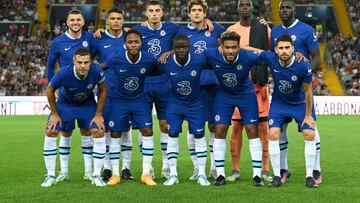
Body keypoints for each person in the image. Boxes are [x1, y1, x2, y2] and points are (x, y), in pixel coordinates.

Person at [247, 34, 318, 188]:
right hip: (280, 103)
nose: (284, 51)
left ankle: (309, 176)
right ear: (276, 50)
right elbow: (252, 50)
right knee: (273, 134)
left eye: (287, 47)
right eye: (281, 48)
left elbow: (308, 92)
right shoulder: (271, 58)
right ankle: (277, 176)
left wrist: (308, 116)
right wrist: (234, 46)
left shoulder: (303, 65)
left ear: (293, 49)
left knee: (310, 133)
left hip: (300, 104)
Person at [271, 0, 322, 184]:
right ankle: (283, 169)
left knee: (311, 129)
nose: (285, 10)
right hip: (282, 92)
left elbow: (317, 58)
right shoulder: (275, 31)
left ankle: (316, 170)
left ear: (294, 10)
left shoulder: (306, 30)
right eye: (282, 8)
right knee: (279, 130)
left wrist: (305, 72)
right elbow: (272, 56)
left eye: (288, 7)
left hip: (301, 91)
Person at [203, 31, 264, 186]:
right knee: (220, 128)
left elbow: (268, 57)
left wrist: (296, 56)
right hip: (224, 95)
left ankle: (257, 176)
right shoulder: (211, 55)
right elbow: (192, 59)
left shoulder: (248, 56)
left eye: (234, 47)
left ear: (239, 48)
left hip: (246, 94)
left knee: (251, 130)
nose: (230, 51)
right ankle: (220, 174)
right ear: (221, 47)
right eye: (227, 47)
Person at [41, 48, 107, 187]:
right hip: (66, 104)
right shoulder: (64, 72)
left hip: (87, 104)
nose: (83, 66)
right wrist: (54, 114)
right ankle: (52, 175)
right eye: (79, 62)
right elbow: (49, 89)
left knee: (98, 131)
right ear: (74, 62)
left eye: (86, 62)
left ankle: (94, 174)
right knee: (51, 130)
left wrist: (98, 114)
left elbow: (103, 90)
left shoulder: (96, 71)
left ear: (91, 62)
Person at [176, 0, 226, 180]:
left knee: (214, 126)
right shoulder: (181, 32)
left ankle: (213, 166)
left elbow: (232, 40)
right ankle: (197, 168)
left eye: (200, 10)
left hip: (213, 83)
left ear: (205, 13)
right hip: (192, 85)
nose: (197, 13)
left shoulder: (217, 29)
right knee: (193, 129)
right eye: (194, 10)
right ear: (188, 13)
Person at [103, 29, 158, 186]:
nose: (133, 44)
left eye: (136, 42)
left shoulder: (149, 59)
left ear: (141, 43)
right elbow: (102, 67)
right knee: (115, 133)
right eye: (130, 42)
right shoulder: (115, 58)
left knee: (147, 131)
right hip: (119, 101)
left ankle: (146, 174)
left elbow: (158, 70)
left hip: (140, 100)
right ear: (125, 44)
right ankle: (115, 174)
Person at [46, 9, 95, 183]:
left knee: (87, 131)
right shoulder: (58, 42)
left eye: (78, 19)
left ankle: (89, 172)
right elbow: (50, 68)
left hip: (85, 95)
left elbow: (106, 46)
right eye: (72, 20)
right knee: (64, 131)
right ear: (67, 23)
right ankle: (63, 172)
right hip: (65, 96)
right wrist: (54, 86)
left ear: (83, 22)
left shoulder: (90, 38)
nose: (75, 22)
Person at [133, 1, 180, 178]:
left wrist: (170, 52)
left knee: (164, 124)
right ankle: (148, 166)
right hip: (143, 82)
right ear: (146, 13)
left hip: (164, 82)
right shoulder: (138, 30)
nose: (154, 14)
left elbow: (186, 39)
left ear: (162, 13)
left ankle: (166, 165)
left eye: (157, 11)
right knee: (143, 126)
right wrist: (99, 30)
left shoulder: (172, 28)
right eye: (151, 11)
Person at [226, 0, 272, 182]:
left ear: (252, 8)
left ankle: (265, 169)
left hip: (259, 85)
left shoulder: (263, 28)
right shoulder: (231, 30)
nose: (245, 7)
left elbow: (269, 54)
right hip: (237, 87)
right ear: (238, 8)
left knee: (263, 129)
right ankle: (236, 170)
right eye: (241, 4)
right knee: (236, 128)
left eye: (248, 4)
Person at [160, 35, 210, 186]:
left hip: (195, 104)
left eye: (184, 47)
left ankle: (202, 174)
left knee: (199, 135)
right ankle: (173, 174)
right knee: (172, 134)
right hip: (175, 104)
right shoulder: (166, 62)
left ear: (190, 47)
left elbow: (216, 60)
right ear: (173, 49)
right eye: (178, 47)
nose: (181, 50)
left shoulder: (200, 60)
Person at [90, 8, 134, 182]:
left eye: (119, 18)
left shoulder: (130, 38)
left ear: (124, 20)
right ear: (107, 20)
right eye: (112, 18)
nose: (116, 21)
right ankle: (107, 168)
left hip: (128, 91)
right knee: (106, 129)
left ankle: (126, 168)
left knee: (126, 129)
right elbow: (89, 61)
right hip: (106, 91)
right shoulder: (99, 39)